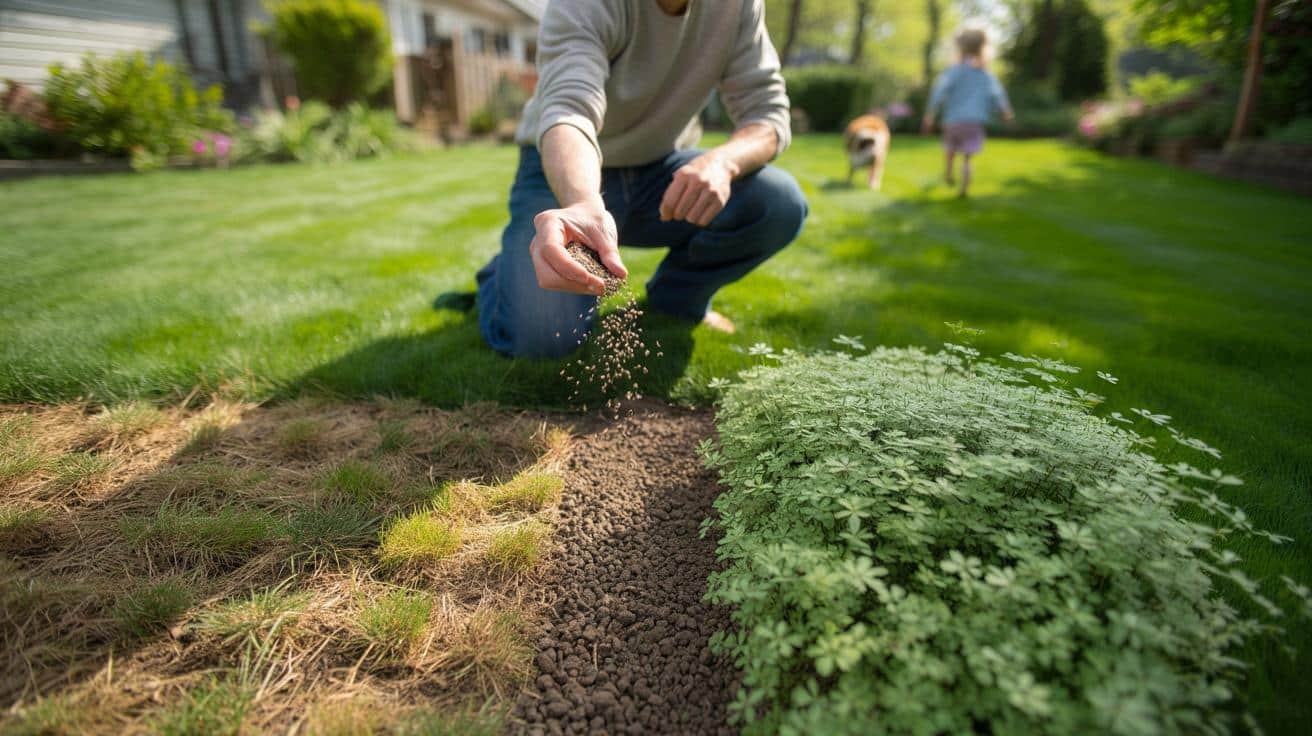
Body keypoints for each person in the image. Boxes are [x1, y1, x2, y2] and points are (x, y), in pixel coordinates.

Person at [475, 0, 808, 358]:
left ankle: (677, 300)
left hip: (659, 169)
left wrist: (723, 162)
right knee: (544, 340)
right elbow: (569, 108)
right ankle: (504, 274)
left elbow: (768, 114)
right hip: (565, 172)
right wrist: (583, 203)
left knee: (778, 203)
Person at [921, 29, 1014, 198]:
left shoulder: (954, 71)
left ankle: (948, 173)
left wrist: (930, 114)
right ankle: (964, 188)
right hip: (974, 122)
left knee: (950, 149)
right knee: (967, 158)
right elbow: (997, 94)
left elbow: (939, 91)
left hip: (953, 120)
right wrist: (1004, 111)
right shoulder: (985, 74)